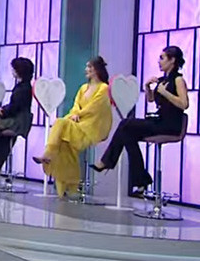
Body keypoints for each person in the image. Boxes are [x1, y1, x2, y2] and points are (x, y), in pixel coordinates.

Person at [91, 46, 189, 195]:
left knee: (125, 124)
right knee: (127, 134)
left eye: (162, 58)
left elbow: (184, 104)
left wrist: (165, 93)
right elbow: (151, 100)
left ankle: (107, 162)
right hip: (158, 121)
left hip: (170, 125)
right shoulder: (163, 80)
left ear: (172, 60)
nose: (159, 61)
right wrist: (147, 87)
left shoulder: (178, 80)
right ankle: (141, 182)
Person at [32, 56, 112, 197]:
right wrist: (75, 113)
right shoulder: (83, 88)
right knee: (64, 147)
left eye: (89, 67)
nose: (86, 69)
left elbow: (95, 107)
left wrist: (78, 114)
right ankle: (68, 188)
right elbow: (76, 105)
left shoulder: (104, 88)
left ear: (97, 70)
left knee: (60, 122)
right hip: (77, 123)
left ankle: (48, 153)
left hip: (91, 126)